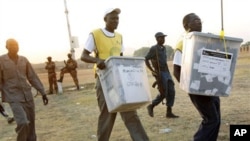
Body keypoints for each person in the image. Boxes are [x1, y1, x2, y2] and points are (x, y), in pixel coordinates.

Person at [81, 8, 149, 141]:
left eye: (117, 18)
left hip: (120, 80)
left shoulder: (119, 37)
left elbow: (120, 57)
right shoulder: (95, 34)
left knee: (130, 112)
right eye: (112, 18)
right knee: (107, 114)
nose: (115, 21)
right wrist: (97, 61)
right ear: (105, 19)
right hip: (105, 80)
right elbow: (83, 56)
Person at [173, 13, 221, 141]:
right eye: (195, 20)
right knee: (211, 120)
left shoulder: (204, 40)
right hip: (197, 88)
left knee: (216, 119)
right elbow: (176, 70)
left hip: (210, 85)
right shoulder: (183, 43)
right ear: (186, 25)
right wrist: (189, 88)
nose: (199, 22)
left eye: (200, 20)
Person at [0, 38, 49, 141]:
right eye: (11, 45)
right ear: (6, 47)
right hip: (13, 97)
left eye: (16, 45)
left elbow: (32, 77)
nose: (14, 47)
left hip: (27, 96)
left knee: (31, 126)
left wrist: (43, 92)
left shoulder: (24, 60)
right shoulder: (1, 61)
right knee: (23, 123)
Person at [145, 32, 179, 118]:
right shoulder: (154, 48)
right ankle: (151, 106)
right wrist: (152, 70)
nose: (163, 39)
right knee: (163, 92)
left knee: (171, 91)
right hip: (160, 73)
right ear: (156, 39)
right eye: (161, 38)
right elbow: (146, 59)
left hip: (166, 72)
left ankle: (169, 112)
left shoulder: (164, 48)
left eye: (163, 38)